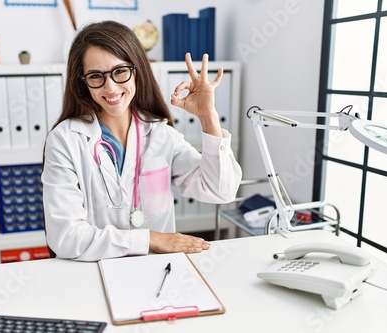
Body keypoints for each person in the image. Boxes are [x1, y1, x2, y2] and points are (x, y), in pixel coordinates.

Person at [42, 20, 242, 261]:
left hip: (158, 272)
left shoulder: (161, 135)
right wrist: (152, 239)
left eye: (120, 71)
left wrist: (208, 117)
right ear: (82, 83)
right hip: (95, 273)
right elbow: (65, 237)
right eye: (96, 76)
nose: (111, 87)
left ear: (137, 70)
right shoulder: (65, 140)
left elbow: (221, 191)